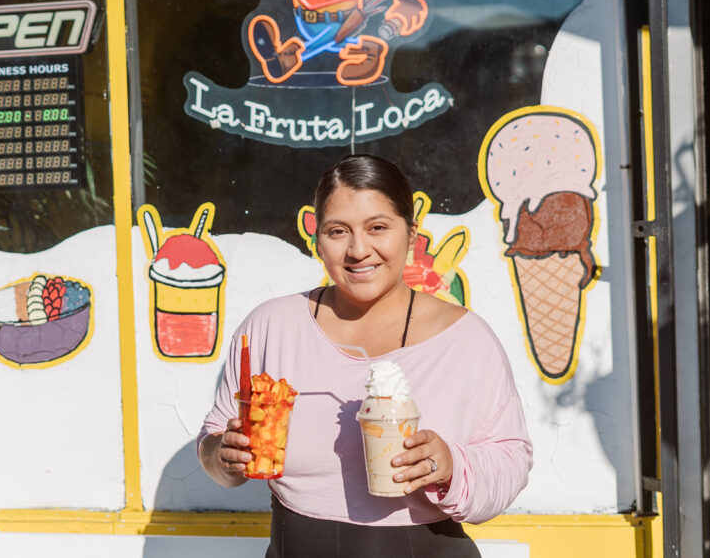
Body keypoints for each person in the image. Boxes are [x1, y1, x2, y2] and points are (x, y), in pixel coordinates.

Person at [197, 154, 532, 557]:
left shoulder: (464, 339)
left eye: (378, 227)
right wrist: (224, 456)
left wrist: (450, 465)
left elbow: (511, 461)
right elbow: (215, 440)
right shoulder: (269, 328)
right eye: (338, 231)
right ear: (316, 237)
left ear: (411, 231)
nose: (359, 250)